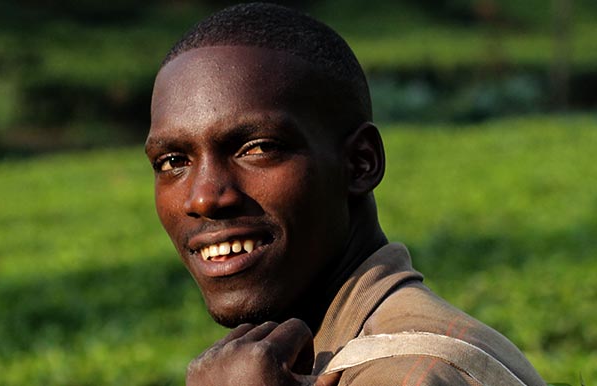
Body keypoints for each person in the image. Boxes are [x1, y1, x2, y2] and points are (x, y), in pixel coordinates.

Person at [144, 3, 547, 385]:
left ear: (360, 162)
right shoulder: (311, 355)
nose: (203, 198)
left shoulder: (408, 374)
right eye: (172, 161)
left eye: (258, 148)